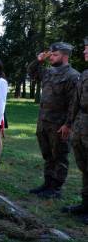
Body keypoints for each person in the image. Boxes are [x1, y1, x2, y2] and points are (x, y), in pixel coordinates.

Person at [27, 42, 80, 199]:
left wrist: (68, 124)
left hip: (60, 124)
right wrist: (39, 60)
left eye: (55, 55)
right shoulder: (49, 72)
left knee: (60, 156)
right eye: (50, 54)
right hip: (44, 121)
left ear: (65, 56)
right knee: (48, 155)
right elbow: (31, 72)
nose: (51, 57)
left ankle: (56, 188)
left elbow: (73, 104)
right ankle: (47, 184)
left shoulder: (72, 76)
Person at [62, 38, 88, 223]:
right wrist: (69, 124)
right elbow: (75, 102)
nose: (84, 52)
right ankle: (85, 204)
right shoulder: (85, 74)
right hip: (81, 124)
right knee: (84, 166)